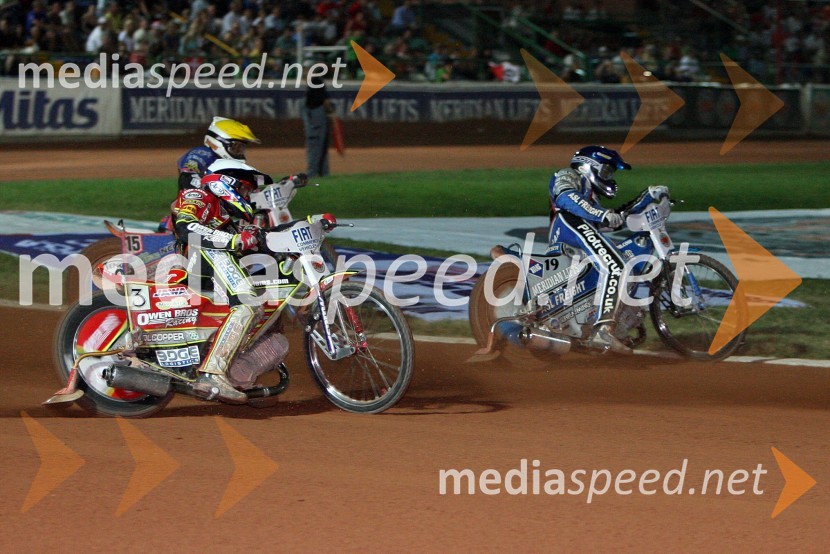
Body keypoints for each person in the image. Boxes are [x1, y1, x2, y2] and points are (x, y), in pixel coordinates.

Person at [171, 159, 276, 403]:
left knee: (267, 305)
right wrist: (234, 241)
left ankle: (236, 371)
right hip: (197, 260)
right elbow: (187, 227)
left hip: (210, 262)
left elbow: (263, 242)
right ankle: (211, 374)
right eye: (244, 189)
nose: (246, 196)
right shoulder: (198, 194)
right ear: (225, 183)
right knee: (248, 304)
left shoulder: (227, 216)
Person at [547, 146, 633, 355]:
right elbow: (565, 197)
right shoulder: (568, 174)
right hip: (568, 226)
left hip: (577, 231)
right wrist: (601, 214)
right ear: (588, 166)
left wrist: (645, 200)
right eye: (606, 171)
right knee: (615, 266)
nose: (609, 177)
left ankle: (602, 325)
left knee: (620, 262)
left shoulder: (592, 200)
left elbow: (614, 220)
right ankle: (603, 330)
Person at [176, 116, 261, 191]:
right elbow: (187, 176)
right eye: (235, 147)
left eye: (241, 148)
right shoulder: (203, 153)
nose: (239, 152)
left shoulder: (227, 165)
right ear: (218, 142)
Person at [302, 75, 331, 177]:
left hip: (315, 115)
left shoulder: (316, 81)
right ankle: (323, 171)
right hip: (318, 115)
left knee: (314, 144)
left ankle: (313, 171)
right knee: (320, 145)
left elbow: (325, 101)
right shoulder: (317, 82)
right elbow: (326, 101)